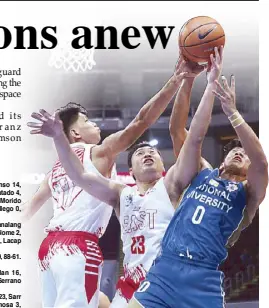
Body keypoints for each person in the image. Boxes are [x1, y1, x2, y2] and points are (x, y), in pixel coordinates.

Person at [27, 58, 206, 308]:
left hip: (49, 248)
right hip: (79, 247)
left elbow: (28, 209)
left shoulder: (56, 168)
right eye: (88, 122)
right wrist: (176, 79)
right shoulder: (101, 155)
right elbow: (141, 121)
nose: (95, 124)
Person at [128, 47, 268, 308]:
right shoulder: (201, 172)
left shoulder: (249, 193)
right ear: (223, 160)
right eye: (234, 150)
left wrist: (233, 113)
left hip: (203, 278)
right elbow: (193, 137)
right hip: (165, 269)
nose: (240, 152)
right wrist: (210, 85)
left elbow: (261, 162)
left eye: (244, 154)